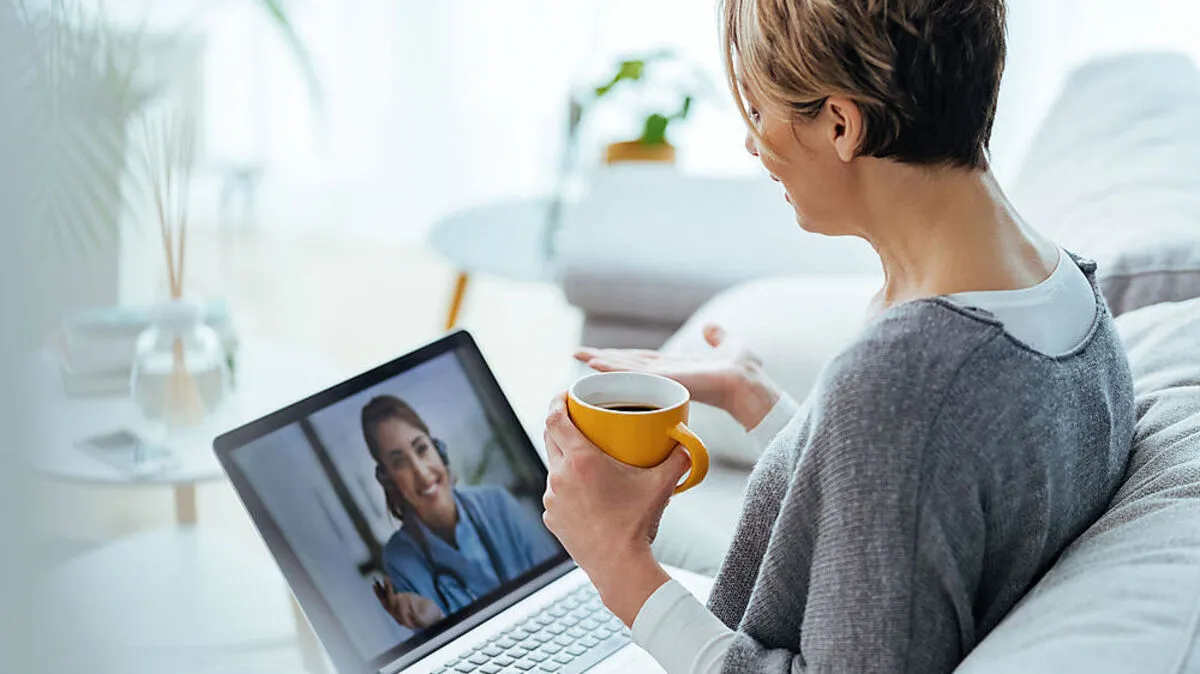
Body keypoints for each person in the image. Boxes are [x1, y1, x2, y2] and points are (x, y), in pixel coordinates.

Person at [539, 1, 1136, 672]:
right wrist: (757, 400)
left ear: (842, 124)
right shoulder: (1060, 289)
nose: (751, 142)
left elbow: (906, 439)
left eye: (758, 114)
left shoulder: (908, 379)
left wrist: (617, 562)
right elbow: (905, 514)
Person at [363, 395, 560, 630]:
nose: (422, 472)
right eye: (399, 463)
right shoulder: (400, 559)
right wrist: (434, 622)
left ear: (439, 449)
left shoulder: (497, 504)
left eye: (422, 449)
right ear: (388, 480)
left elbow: (557, 581)